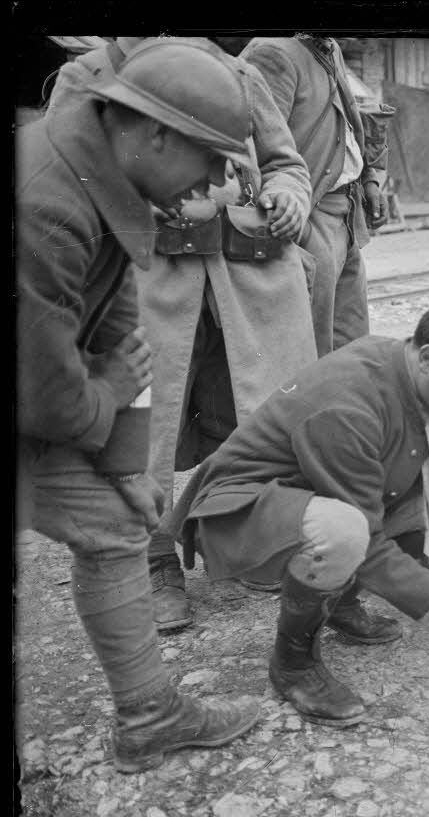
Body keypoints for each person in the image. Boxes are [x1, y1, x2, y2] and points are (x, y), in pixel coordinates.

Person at [16, 39, 262, 773]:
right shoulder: (47, 204)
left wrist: (128, 467)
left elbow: (120, 329)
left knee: (119, 522)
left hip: (45, 392)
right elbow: (46, 392)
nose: (216, 183)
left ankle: (150, 717)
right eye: (211, 160)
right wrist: (112, 396)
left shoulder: (106, 171)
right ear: (155, 132)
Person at [169, 295, 429, 729]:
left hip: (318, 502)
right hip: (245, 511)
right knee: (345, 532)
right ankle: (294, 663)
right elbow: (367, 541)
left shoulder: (415, 375)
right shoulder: (349, 405)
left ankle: (339, 600)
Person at [47, 36, 319, 634]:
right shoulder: (90, 75)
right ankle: (150, 559)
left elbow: (285, 162)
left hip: (249, 279)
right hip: (146, 279)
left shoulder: (238, 73)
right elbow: (68, 169)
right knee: (142, 424)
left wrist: (288, 196)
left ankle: (239, 535)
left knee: (250, 416)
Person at [241, 34, 388, 355]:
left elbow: (348, 122)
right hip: (308, 217)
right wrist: (297, 221)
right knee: (309, 350)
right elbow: (255, 150)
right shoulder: (272, 53)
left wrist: (368, 180)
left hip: (345, 216)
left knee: (352, 344)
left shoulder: (329, 48)